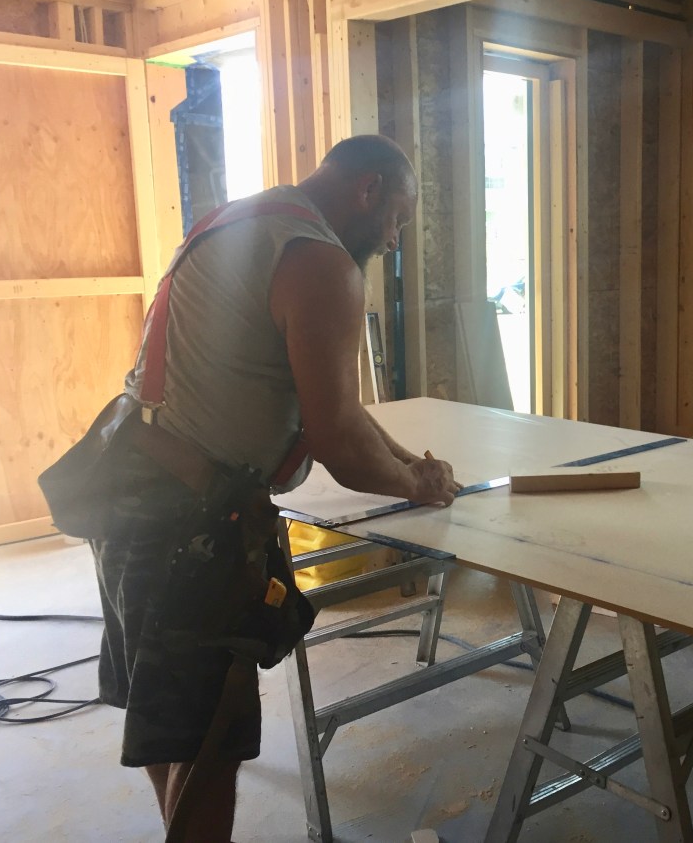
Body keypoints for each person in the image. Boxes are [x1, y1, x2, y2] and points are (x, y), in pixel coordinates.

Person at [89, 135, 459, 841]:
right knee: (208, 739)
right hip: (187, 524)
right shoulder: (320, 263)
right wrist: (412, 484)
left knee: (168, 717)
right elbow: (339, 444)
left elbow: (337, 411)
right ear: (369, 189)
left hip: (130, 482)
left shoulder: (243, 221)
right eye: (398, 220)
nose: (393, 240)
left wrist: (413, 464)